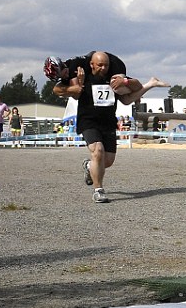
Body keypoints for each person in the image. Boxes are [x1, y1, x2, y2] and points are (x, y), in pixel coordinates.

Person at [48, 52, 169, 203]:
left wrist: (132, 83)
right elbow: (58, 89)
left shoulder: (113, 78)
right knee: (98, 150)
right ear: (91, 64)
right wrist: (77, 86)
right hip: (88, 121)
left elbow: (127, 98)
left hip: (108, 121)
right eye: (99, 65)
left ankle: (89, 166)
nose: (103, 68)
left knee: (108, 161)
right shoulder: (78, 73)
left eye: (105, 65)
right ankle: (98, 191)